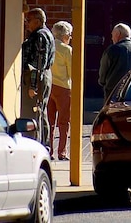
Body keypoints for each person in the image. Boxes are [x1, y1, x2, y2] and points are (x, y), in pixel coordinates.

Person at [22, 8, 56, 148]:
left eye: (28, 21)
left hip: (37, 77)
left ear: (37, 21)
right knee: (41, 112)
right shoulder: (44, 34)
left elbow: (38, 63)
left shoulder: (40, 36)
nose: (26, 24)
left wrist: (33, 86)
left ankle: (38, 145)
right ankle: (44, 145)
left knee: (35, 112)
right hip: (43, 76)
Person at [98, 23, 131, 102]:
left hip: (113, 90)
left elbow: (104, 69)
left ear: (118, 34)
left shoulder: (112, 49)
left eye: (112, 35)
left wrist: (102, 81)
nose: (112, 38)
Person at [48, 21, 73, 161]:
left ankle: (49, 149)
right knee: (64, 122)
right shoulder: (66, 50)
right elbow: (72, 71)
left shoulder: (50, 46)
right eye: (69, 35)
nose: (70, 38)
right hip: (63, 87)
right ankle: (62, 152)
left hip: (49, 85)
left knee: (49, 120)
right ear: (65, 35)